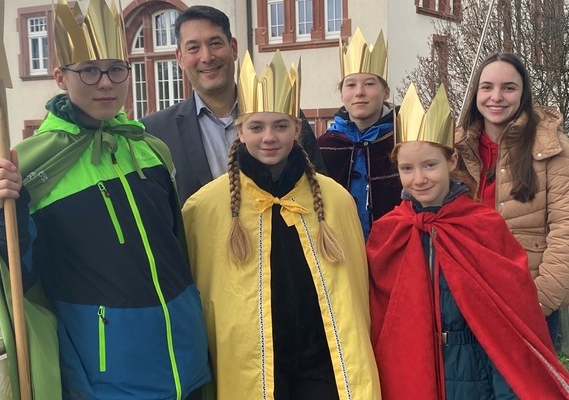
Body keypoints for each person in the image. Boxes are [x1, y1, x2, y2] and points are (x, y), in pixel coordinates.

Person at [0, 1, 210, 398]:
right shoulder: (30, 165)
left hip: (185, 352)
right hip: (110, 372)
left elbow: (175, 245)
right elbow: (21, 274)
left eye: (116, 69)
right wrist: (3, 212)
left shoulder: (150, 149)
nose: (105, 82)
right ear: (60, 77)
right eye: (89, 70)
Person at [181, 50, 381, 400]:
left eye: (280, 126)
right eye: (256, 127)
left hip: (321, 362)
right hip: (250, 365)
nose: (269, 137)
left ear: (298, 129)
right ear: (240, 131)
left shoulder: (334, 199)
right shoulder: (206, 207)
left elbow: (354, 295)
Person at [367, 83, 569, 399]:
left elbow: (511, 319)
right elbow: (379, 319)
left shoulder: (482, 225)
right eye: (407, 168)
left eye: (430, 165)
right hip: (411, 367)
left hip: (474, 372)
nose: (419, 179)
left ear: (451, 161)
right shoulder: (388, 231)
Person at [141, 5, 325, 205]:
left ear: (233, 48)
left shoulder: (281, 115)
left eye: (215, 43)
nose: (207, 57)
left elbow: (317, 184)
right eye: (193, 47)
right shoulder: (155, 132)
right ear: (180, 58)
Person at [455, 52, 569, 346]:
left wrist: (538, 302)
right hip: (464, 299)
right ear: (476, 93)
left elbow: (564, 231)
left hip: (529, 299)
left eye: (509, 87)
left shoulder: (553, 148)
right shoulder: (453, 149)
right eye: (487, 87)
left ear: (523, 93)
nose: (497, 97)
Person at [317, 28, 401, 240]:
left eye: (369, 84)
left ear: (386, 92)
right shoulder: (323, 146)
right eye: (351, 84)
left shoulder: (404, 140)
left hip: (392, 248)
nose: (359, 92)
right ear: (342, 93)